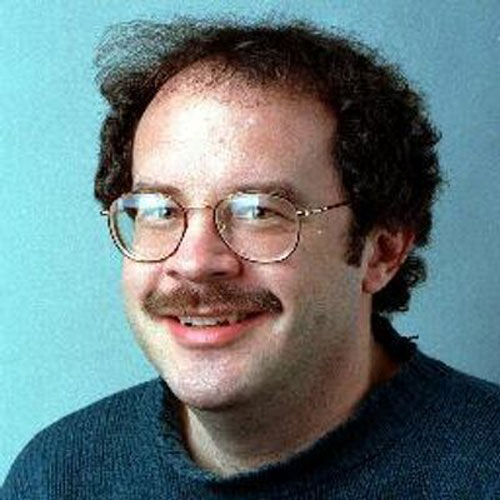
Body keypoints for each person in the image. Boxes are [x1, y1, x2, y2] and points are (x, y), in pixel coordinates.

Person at [2, 18, 499, 499]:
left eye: (259, 211)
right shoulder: (57, 477)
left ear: (382, 253)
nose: (194, 262)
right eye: (159, 210)